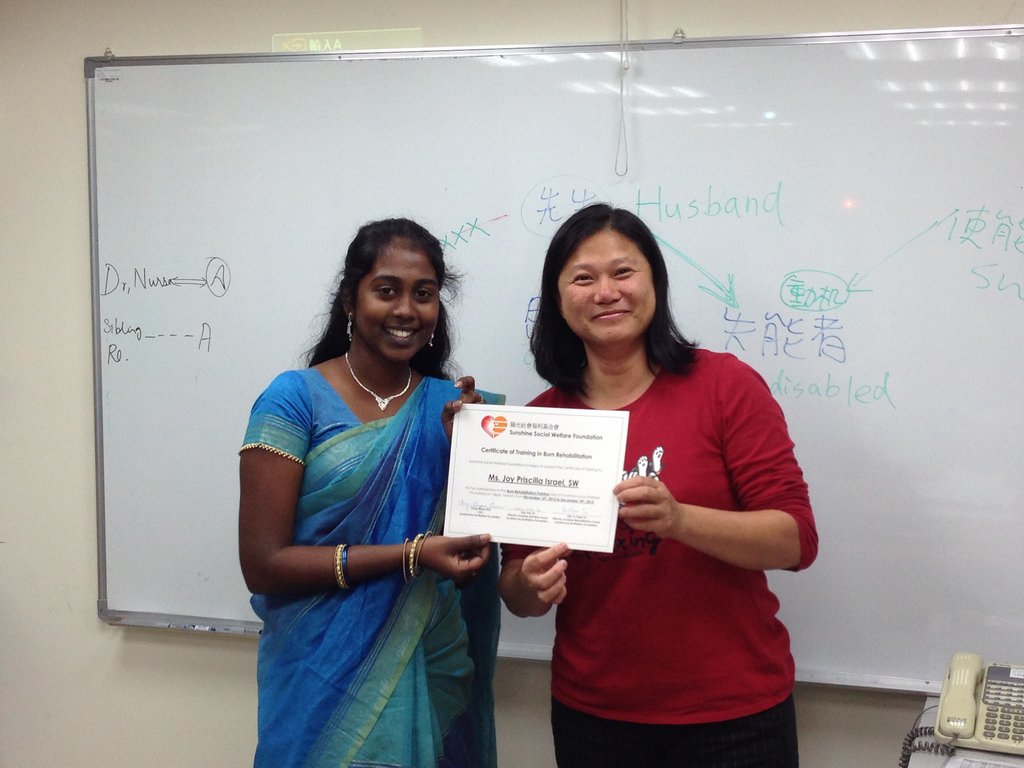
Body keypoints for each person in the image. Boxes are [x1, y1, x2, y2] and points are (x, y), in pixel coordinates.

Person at [498, 203, 818, 768]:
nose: (606, 293)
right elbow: (518, 594)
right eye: (583, 278)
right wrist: (529, 583)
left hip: (734, 714)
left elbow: (795, 541)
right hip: (594, 715)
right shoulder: (540, 422)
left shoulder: (725, 386)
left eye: (623, 272)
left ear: (654, 282)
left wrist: (680, 520)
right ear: (558, 299)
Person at [238, 217, 500, 768]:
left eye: (423, 294)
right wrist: (411, 556)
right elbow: (263, 565)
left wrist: (472, 455)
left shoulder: (456, 409)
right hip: (316, 679)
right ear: (349, 302)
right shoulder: (293, 400)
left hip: (432, 666)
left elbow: (471, 560)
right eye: (386, 290)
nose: (406, 310)